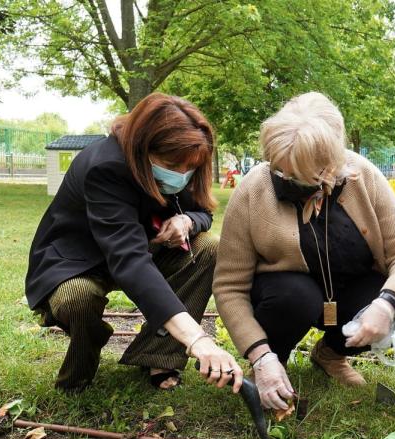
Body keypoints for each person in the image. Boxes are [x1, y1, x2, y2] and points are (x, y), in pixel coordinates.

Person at [213, 92, 395, 410]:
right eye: (280, 170)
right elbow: (229, 286)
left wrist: (385, 305)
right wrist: (259, 354)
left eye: (301, 173)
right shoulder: (253, 190)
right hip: (286, 298)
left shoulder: (363, 176)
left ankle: (330, 355)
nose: (287, 182)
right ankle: (272, 365)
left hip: (345, 294)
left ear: (331, 162)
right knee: (294, 297)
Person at [25, 93, 242, 392]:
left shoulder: (179, 161)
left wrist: (187, 221)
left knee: (207, 247)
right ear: (143, 146)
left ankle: (158, 355)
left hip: (141, 249)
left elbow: (202, 211)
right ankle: (80, 370)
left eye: (188, 168)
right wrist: (197, 338)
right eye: (171, 164)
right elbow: (129, 260)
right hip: (81, 261)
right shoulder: (105, 167)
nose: (181, 175)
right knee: (79, 297)